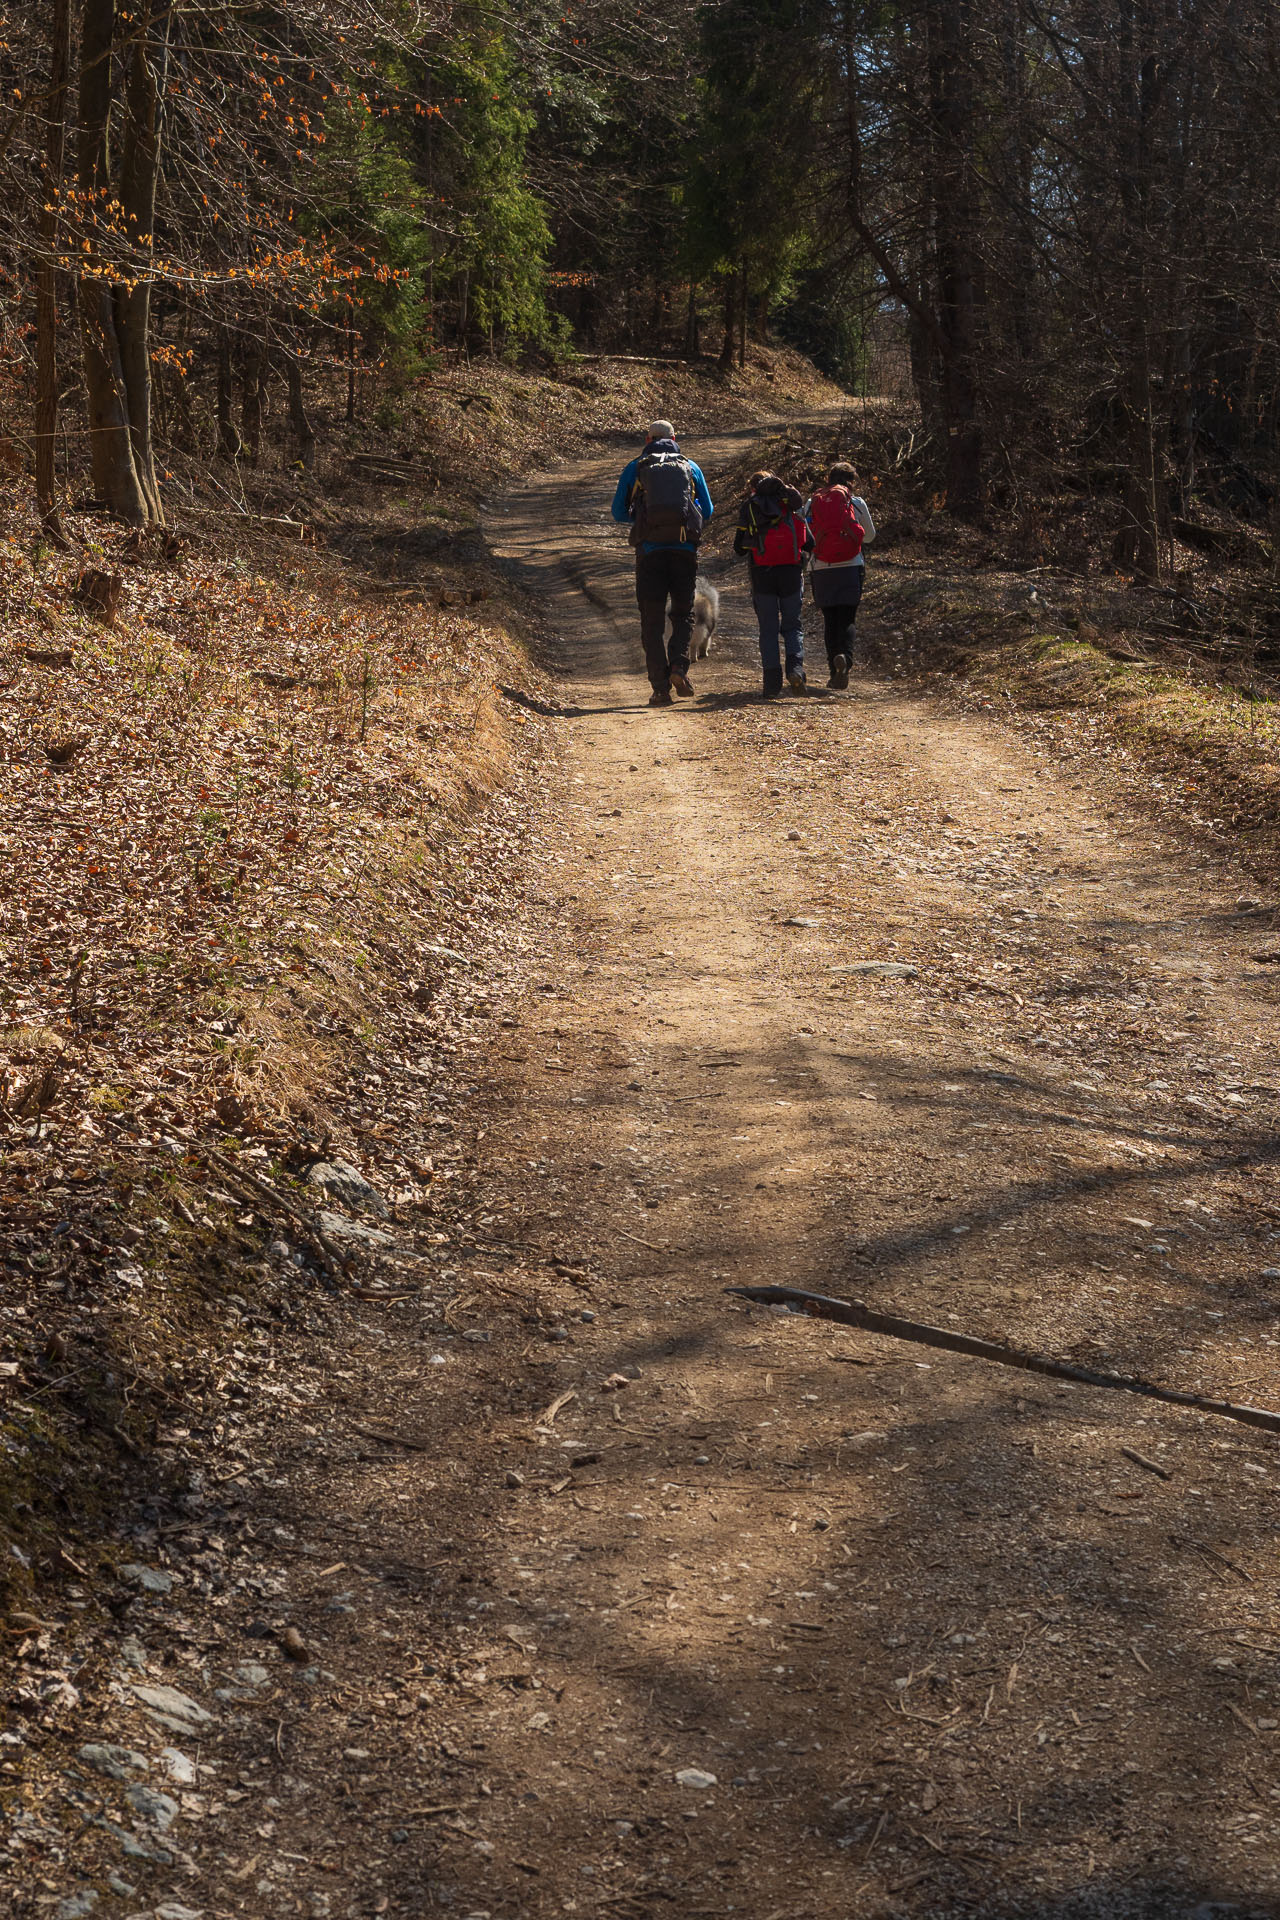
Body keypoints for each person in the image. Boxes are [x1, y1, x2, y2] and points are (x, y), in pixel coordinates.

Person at [611, 421, 714, 707]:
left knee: (651, 621)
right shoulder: (690, 467)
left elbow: (617, 511)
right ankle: (679, 667)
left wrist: (644, 519)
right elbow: (707, 509)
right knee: (683, 615)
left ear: (648, 439)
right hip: (684, 552)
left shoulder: (636, 467)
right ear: (674, 438)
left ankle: (659, 688)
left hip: (649, 553)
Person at [733, 470, 814, 698]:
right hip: (790, 573)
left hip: (762, 575)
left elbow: (738, 549)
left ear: (753, 488)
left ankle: (771, 684)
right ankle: (796, 670)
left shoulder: (750, 507)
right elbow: (810, 543)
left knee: (768, 630)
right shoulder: (789, 505)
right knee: (792, 625)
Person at [804, 461, 876, 689]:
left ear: (828, 479)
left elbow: (805, 532)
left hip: (822, 566)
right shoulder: (856, 502)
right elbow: (870, 536)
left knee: (830, 619)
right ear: (851, 481)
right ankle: (845, 658)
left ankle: (834, 669)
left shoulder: (812, 501)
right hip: (851, 565)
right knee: (847, 617)